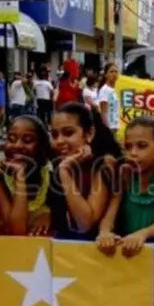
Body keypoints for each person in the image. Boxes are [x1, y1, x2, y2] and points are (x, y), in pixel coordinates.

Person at [96, 116, 154, 257]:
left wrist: (142, 234)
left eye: (142, 146)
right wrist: (104, 232)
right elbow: (109, 215)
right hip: (125, 246)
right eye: (128, 147)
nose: (133, 153)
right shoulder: (125, 174)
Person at [48, 102, 122, 239]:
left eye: (68, 133)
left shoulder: (104, 163)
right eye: (54, 134)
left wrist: (64, 172)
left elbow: (85, 223)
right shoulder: (62, 162)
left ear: (89, 133)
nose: (59, 141)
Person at [0, 115, 52, 235]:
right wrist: (20, 177)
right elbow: (17, 229)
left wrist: (48, 215)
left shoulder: (49, 177)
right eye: (11, 139)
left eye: (27, 140)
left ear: (41, 146)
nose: (17, 145)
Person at [98, 63, 120, 134]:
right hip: (109, 128)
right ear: (105, 75)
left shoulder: (114, 90)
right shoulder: (104, 90)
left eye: (116, 72)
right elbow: (103, 112)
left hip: (115, 126)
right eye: (111, 71)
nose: (114, 74)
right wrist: (107, 130)